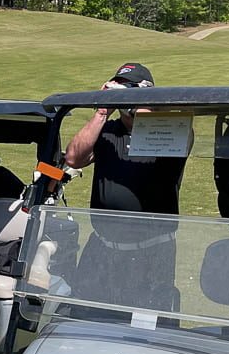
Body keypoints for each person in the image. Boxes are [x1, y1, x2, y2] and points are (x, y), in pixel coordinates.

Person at [62, 63, 188, 313]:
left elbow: (180, 134)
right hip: (102, 246)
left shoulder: (169, 129)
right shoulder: (108, 131)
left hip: (151, 250)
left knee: (141, 323)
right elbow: (74, 158)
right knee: (85, 316)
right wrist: (101, 112)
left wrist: (134, 103)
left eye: (127, 88)